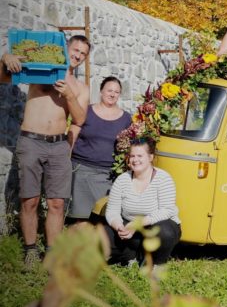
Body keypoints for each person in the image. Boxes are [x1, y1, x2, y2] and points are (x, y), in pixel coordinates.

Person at [1, 34, 91, 267]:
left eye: (83, 53)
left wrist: (70, 96)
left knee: (57, 203)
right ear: (66, 48)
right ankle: (31, 250)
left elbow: (80, 119)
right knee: (29, 200)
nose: (78, 55)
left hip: (59, 145)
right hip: (31, 141)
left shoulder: (81, 87)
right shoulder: (42, 70)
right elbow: (3, 77)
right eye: (76, 49)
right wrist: (6, 60)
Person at [104, 138, 181, 267]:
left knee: (165, 231)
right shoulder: (122, 180)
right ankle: (130, 257)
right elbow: (112, 211)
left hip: (155, 228)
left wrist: (138, 224)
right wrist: (119, 226)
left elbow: (167, 210)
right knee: (102, 234)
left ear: (151, 157)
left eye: (140, 155)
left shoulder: (163, 178)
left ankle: (157, 263)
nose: (135, 160)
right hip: (130, 230)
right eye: (132, 156)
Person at [68, 76, 132, 222]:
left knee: (103, 217)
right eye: (109, 90)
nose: (112, 94)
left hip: (108, 175)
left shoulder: (126, 118)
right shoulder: (86, 111)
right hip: (81, 171)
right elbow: (72, 136)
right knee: (80, 217)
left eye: (116, 92)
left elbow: (129, 148)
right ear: (101, 91)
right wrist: (65, 162)